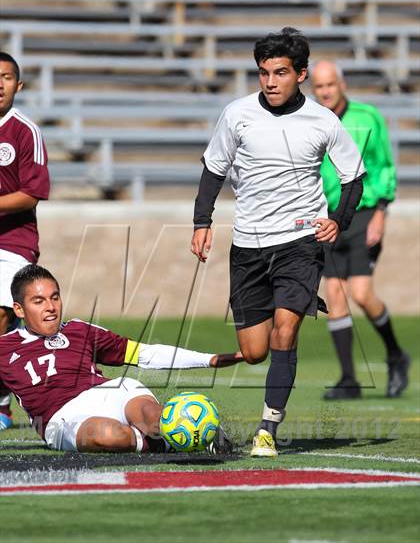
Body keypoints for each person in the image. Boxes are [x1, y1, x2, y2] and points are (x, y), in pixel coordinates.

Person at [191, 28, 365, 457]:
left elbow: (354, 178)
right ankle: (296, 306)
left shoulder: (325, 121)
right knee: (254, 352)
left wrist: (337, 222)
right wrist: (201, 222)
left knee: (285, 333)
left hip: (300, 242)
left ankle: (268, 427)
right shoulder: (237, 113)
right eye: (263, 73)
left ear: (301, 74)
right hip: (248, 245)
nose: (269, 82)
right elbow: (214, 168)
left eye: (280, 73)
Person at [0, 264, 243, 453]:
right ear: (19, 309)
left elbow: (145, 354)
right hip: (63, 417)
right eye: (39, 301)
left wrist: (208, 359)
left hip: (111, 393)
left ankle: (201, 434)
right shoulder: (3, 348)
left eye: (55, 297)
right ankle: (172, 444)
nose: (51, 307)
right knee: (108, 436)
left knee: (154, 418)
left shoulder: (78, 330)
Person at [310, 60, 410, 400]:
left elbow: (383, 165)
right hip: (327, 217)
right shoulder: (309, 120)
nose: (324, 91)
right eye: (319, 86)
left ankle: (396, 355)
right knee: (335, 294)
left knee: (362, 294)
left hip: (364, 212)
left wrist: (382, 211)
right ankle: (349, 379)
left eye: (329, 84)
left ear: (342, 84)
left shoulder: (367, 118)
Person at [0, 52, 50, 430]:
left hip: (12, 243)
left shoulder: (24, 131)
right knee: (17, 328)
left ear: (18, 85)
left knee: (1, 314)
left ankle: (3, 402)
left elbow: (31, 194)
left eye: (5, 77)